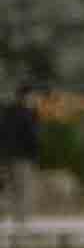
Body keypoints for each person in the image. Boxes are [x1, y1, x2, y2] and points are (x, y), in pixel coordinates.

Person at [0, 85, 42, 230]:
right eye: (32, 96)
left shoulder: (8, 111)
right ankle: (21, 221)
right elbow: (32, 136)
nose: (34, 99)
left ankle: (12, 217)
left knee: (11, 188)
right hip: (22, 156)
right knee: (23, 188)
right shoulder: (25, 113)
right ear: (25, 96)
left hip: (8, 156)